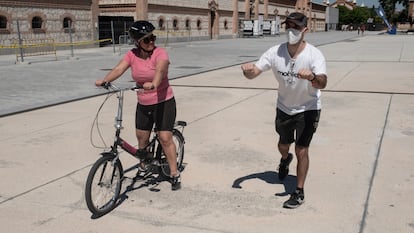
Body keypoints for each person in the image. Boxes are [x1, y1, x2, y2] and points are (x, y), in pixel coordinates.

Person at [241, 12, 327, 209]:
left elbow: (323, 82)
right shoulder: (275, 52)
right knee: (283, 144)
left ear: (305, 30)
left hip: (308, 108)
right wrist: (248, 72)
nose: (291, 31)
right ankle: (285, 159)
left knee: (302, 149)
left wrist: (312, 77)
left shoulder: (314, 54)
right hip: (284, 107)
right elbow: (254, 72)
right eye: (288, 26)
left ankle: (299, 191)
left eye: (296, 27)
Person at [95, 20, 181, 191]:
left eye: (153, 38)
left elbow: (160, 71)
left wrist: (154, 84)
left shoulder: (160, 53)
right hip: (144, 103)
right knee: (142, 140)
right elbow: (119, 69)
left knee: (164, 138)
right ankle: (144, 167)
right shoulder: (132, 55)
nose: (152, 42)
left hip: (164, 102)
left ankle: (174, 172)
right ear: (137, 42)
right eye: (147, 40)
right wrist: (105, 81)